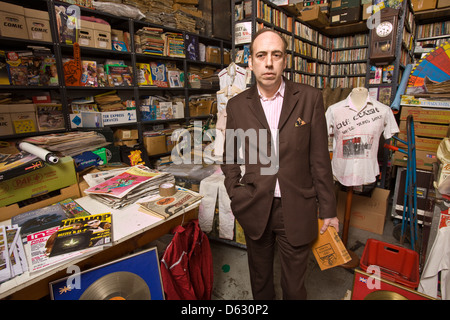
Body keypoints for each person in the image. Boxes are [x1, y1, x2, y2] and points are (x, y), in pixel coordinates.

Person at [221, 28, 339, 300]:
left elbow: (320, 158)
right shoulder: (237, 105)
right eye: (261, 55)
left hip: (297, 206)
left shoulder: (310, 98)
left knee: (295, 286)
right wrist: (235, 193)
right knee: (260, 280)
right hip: (254, 204)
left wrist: (329, 209)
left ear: (285, 61)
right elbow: (229, 156)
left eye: (276, 55)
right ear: (250, 62)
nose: (269, 63)